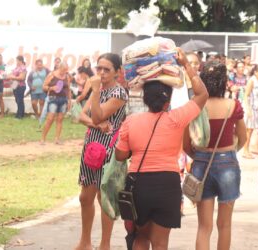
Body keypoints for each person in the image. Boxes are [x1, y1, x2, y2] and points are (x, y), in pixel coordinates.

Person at [115, 48, 208, 250]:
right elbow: (202, 94)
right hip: (168, 183)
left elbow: (120, 155)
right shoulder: (176, 118)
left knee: (140, 238)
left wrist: (132, 148)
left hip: (140, 184)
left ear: (146, 99)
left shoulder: (131, 122)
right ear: (168, 100)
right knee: (160, 243)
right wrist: (186, 65)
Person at [183, 61, 247, 250]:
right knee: (225, 224)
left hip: (201, 163)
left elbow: (185, 144)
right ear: (224, 81)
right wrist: (229, 153)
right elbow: (243, 138)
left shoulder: (195, 106)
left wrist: (198, 155)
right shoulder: (233, 105)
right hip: (227, 163)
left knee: (204, 226)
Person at [75, 53, 128, 250]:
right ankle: (85, 241)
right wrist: (96, 126)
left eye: (107, 69)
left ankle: (104, 245)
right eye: (99, 69)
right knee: (85, 197)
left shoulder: (119, 94)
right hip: (91, 149)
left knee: (104, 197)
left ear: (117, 72)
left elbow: (97, 115)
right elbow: (80, 116)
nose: (102, 73)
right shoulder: (98, 90)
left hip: (109, 152)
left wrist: (95, 91)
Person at [41, 62, 72, 144]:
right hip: (53, 99)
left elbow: (68, 89)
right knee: (50, 119)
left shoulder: (67, 76)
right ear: (59, 68)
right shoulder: (51, 75)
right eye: (63, 70)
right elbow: (43, 86)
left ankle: (57, 139)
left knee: (60, 119)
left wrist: (69, 101)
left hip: (63, 100)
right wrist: (51, 88)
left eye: (66, 70)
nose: (65, 72)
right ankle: (43, 139)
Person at [243, 65, 258, 159]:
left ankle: (255, 148)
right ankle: (245, 150)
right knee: (249, 130)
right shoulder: (252, 81)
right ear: (256, 72)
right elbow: (246, 95)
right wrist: (248, 109)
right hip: (251, 108)